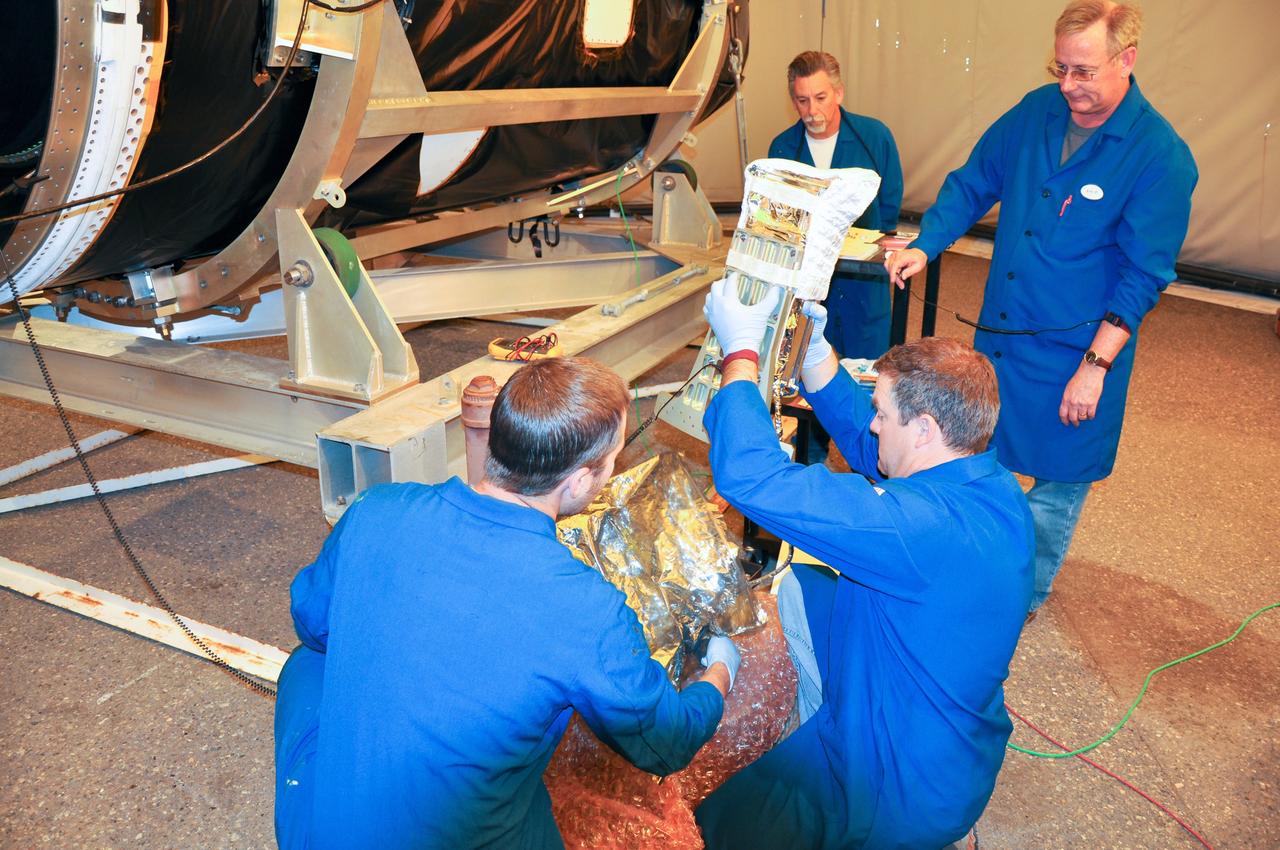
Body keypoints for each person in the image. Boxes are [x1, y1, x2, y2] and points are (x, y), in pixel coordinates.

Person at [273, 357, 740, 850]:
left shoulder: (377, 509)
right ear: (580, 480)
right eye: (612, 460)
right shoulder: (587, 611)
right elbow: (665, 744)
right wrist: (719, 674)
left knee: (308, 664)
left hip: (322, 836)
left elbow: (311, 620)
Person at [693, 280, 1034, 849]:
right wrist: (817, 357)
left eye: (883, 413)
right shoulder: (989, 485)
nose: (873, 424)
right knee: (805, 584)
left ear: (924, 429)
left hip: (895, 790)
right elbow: (876, 448)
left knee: (716, 827)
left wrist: (741, 354)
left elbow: (751, 477)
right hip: (953, 755)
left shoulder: (914, 527)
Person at [885, 0, 1197, 617]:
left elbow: (1142, 276)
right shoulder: (1036, 112)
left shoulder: (1160, 155)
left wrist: (1095, 368)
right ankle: (970, 567)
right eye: (1060, 68)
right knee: (978, 457)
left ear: (1127, 60)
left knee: (1058, 482)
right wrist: (926, 243)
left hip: (1076, 351)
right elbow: (974, 181)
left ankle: (1019, 598)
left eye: (1084, 71)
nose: (1068, 85)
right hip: (1004, 336)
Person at [769, 50, 904, 361]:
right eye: (802, 101)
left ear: (838, 94)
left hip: (863, 283)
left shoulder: (875, 138)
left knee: (870, 368)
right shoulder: (782, 148)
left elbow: (889, 208)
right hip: (807, 284)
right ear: (793, 102)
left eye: (821, 98)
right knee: (805, 367)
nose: (812, 111)